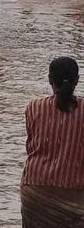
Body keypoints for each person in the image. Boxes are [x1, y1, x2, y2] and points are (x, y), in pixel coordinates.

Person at [21, 56, 84, 227]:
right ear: (77, 80)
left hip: (34, 189)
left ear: (50, 80)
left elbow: (32, 145)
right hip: (75, 192)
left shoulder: (33, 107)